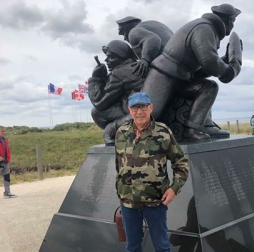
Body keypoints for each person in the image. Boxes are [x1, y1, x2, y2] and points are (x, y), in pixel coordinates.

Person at [141, 4, 242, 142]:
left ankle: (193, 128)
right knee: (149, 114)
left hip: (181, 78)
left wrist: (224, 61)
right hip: (164, 74)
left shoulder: (209, 29)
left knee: (208, 88)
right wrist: (228, 71)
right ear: (229, 21)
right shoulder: (204, 28)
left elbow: (201, 71)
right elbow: (209, 61)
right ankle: (114, 128)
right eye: (233, 21)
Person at [115, 92, 189, 252]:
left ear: (151, 108)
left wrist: (174, 189)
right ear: (129, 109)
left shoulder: (163, 132)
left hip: (155, 201)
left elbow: (180, 162)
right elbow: (119, 164)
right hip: (129, 202)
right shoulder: (121, 132)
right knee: (132, 247)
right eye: (135, 107)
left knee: (161, 246)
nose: (139, 111)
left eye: (143, 107)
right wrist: (121, 191)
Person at [88, 40, 144, 145]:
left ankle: (115, 131)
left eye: (111, 57)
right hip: (145, 110)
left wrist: (95, 79)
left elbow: (99, 102)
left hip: (137, 114)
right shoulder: (135, 67)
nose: (106, 60)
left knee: (96, 112)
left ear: (121, 57)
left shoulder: (119, 73)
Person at [0, 126, 16, 198]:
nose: (3, 132)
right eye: (1, 131)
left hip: (5, 162)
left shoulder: (5, 140)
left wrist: (8, 158)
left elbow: (7, 150)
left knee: (7, 177)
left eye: (4, 131)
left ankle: (7, 192)